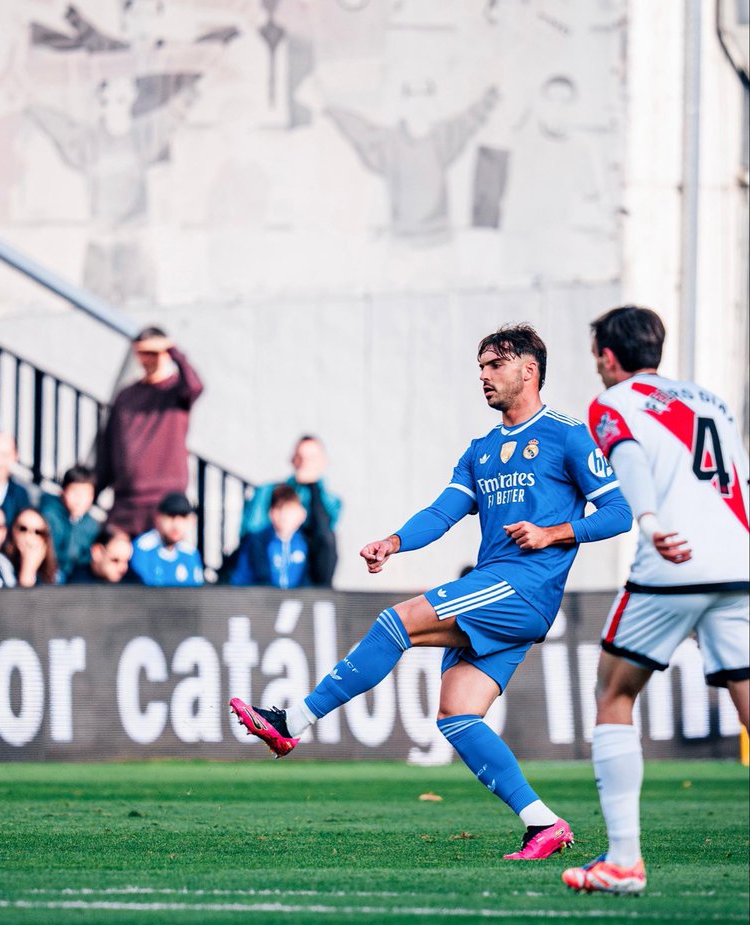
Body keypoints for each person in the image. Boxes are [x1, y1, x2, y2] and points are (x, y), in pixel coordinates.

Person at [230, 324, 632, 860]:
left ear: (529, 370)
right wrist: (394, 541)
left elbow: (619, 512)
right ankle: (543, 823)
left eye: (495, 365)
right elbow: (443, 512)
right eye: (481, 367)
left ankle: (292, 722)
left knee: (395, 623)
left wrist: (552, 533)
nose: (484, 376)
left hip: (521, 586)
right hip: (499, 590)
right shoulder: (482, 450)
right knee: (457, 715)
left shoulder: (568, 435)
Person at [562, 306, 750, 895]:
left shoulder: (613, 402)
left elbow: (629, 461)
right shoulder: (711, 400)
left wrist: (647, 521)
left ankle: (623, 861)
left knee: (613, 693)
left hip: (675, 562)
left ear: (608, 356)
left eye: (596, 355)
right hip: (740, 562)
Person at [99, 326, 204, 538]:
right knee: (113, 552)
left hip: (165, 502)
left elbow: (194, 386)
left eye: (154, 352)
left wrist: (172, 349)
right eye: (143, 353)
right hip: (126, 501)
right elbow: (109, 448)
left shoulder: (176, 391)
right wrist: (95, 488)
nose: (149, 359)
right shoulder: (126, 396)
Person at [240, 434, 342, 585]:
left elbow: (324, 534)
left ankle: (320, 592)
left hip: (307, 567)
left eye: (312, 458)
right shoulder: (268, 491)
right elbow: (252, 530)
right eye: (301, 458)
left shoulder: (331, 501)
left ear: (323, 462)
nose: (305, 464)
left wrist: (313, 487)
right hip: (270, 559)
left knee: (326, 540)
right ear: (293, 460)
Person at [231, 484, 313, 588]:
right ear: (271, 513)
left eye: (289, 510)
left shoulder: (306, 542)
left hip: (296, 598)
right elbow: (242, 580)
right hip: (258, 596)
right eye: (279, 510)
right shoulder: (257, 541)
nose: (284, 516)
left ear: (301, 514)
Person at [39, 465, 101, 581]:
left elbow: (85, 558)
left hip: (73, 576)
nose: (80, 500)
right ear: (63, 492)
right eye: (75, 492)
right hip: (46, 572)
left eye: (86, 494)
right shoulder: (48, 515)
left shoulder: (91, 525)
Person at [129, 491, 204, 587]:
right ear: (157, 518)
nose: (176, 524)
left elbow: (196, 589)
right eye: (171, 516)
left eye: (183, 516)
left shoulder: (190, 552)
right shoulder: (143, 548)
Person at [3, 507, 59, 587]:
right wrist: (27, 572)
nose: (30, 536)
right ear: (13, 531)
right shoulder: (0, 565)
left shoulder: (54, 573)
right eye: (23, 529)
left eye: (38, 532)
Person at [68, 524, 136, 585]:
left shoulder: (133, 582)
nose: (123, 568)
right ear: (97, 552)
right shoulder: (77, 583)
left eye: (127, 561)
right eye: (115, 560)